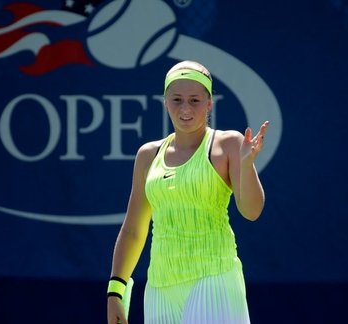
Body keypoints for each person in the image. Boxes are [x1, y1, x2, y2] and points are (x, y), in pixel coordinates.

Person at [106, 60, 269, 324]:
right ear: (165, 102)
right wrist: (115, 290)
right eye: (177, 99)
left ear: (209, 104)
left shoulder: (229, 144)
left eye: (194, 100)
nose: (185, 109)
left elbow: (251, 211)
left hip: (214, 279)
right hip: (159, 288)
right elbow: (133, 229)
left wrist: (247, 165)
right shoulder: (148, 155)